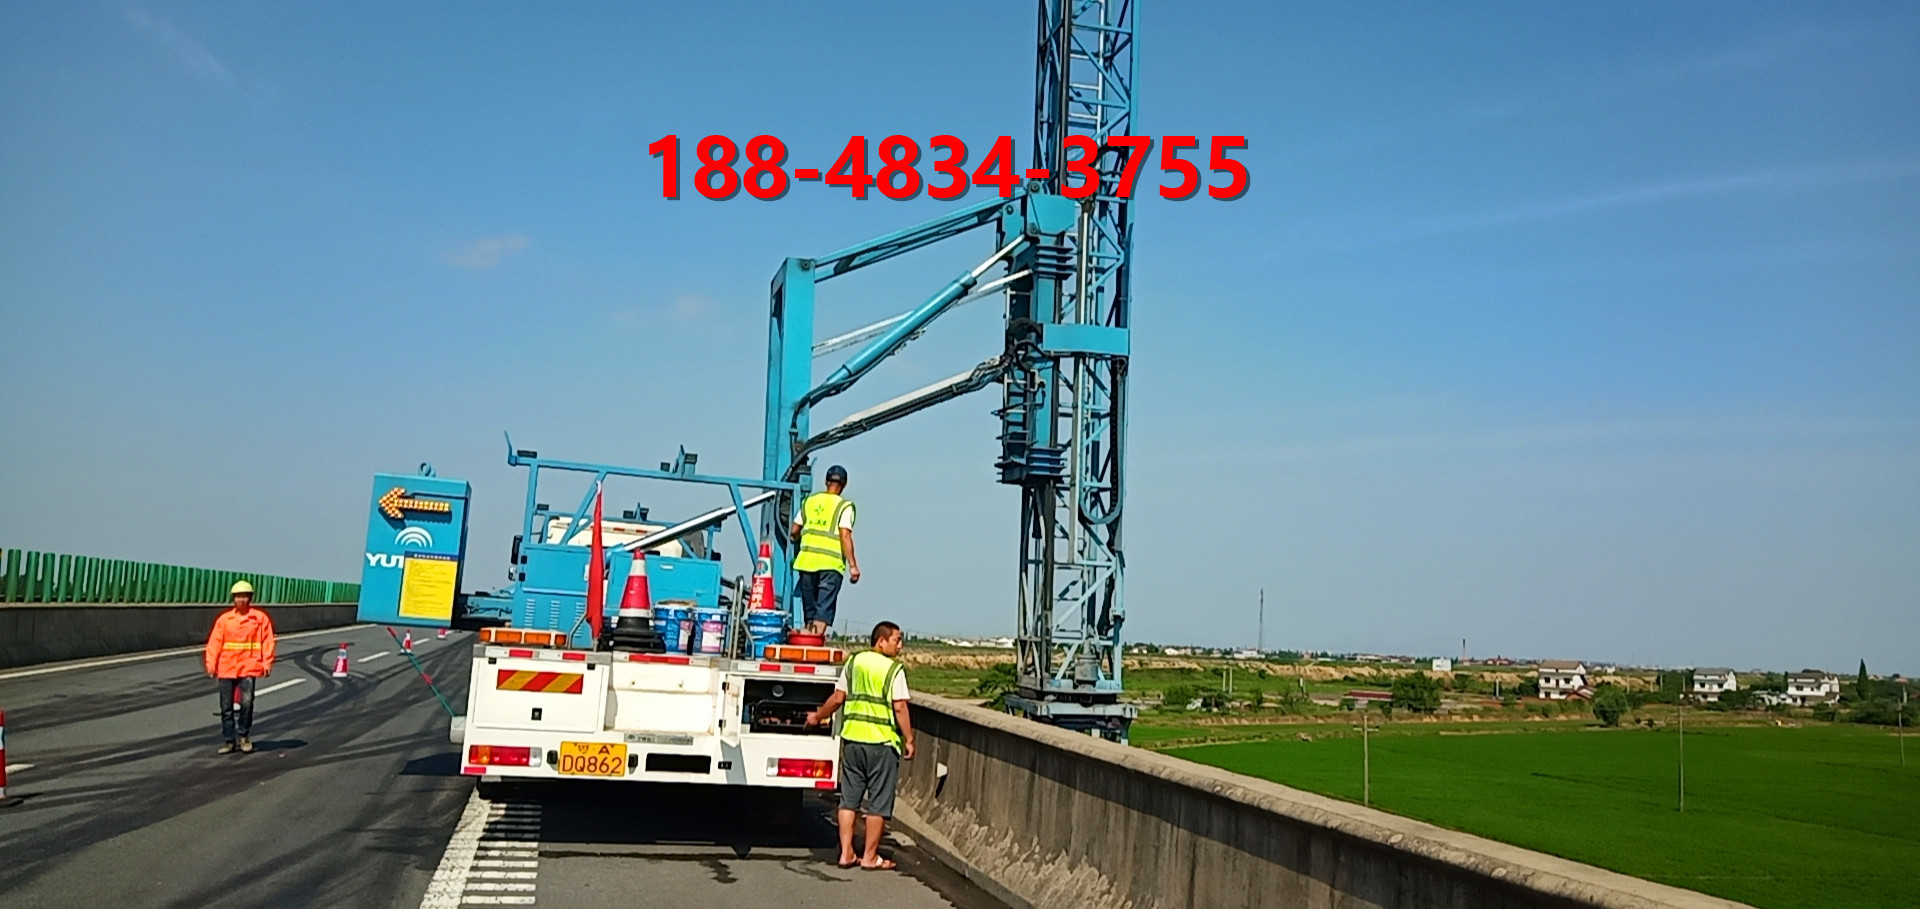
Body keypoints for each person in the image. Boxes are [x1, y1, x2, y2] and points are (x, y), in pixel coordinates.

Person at [806, 620, 914, 871]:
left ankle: (846, 853)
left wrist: (818, 716)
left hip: (853, 741)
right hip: (882, 743)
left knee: (849, 801)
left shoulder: (854, 662)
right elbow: (900, 707)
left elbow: (838, 698)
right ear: (881, 641)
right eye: (897, 640)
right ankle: (869, 857)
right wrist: (909, 738)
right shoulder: (894, 670)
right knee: (878, 804)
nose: (900, 645)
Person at [203, 580, 276, 754]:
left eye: (244, 596)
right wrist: (211, 663)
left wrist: (267, 662)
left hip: (249, 666)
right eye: (237, 597)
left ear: (250, 598)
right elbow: (214, 642)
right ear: (233, 599)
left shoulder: (259, 619)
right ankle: (229, 740)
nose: (241, 600)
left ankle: (244, 736)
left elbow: (268, 641)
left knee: (247, 703)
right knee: (226, 707)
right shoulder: (225, 620)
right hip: (227, 667)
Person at [789, 464, 859, 636]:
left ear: (826, 482)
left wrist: (797, 541)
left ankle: (807, 639)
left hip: (806, 563)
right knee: (822, 611)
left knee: (810, 612)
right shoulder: (844, 506)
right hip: (830, 565)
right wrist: (853, 566)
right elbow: (844, 535)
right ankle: (814, 642)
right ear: (844, 485)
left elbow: (794, 531)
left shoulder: (809, 502)